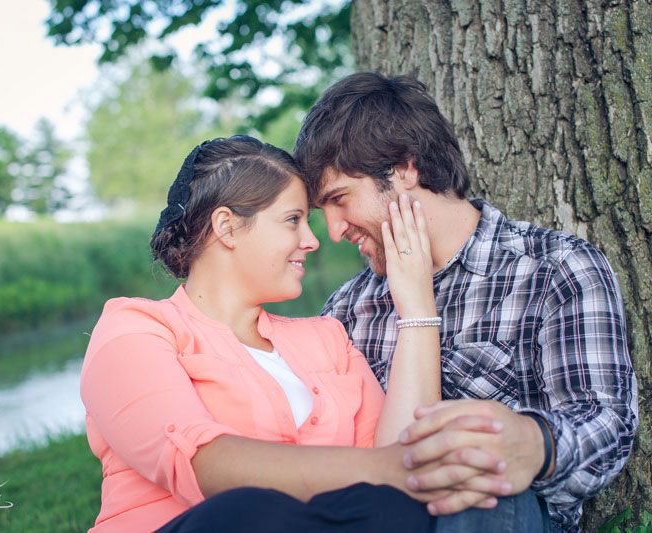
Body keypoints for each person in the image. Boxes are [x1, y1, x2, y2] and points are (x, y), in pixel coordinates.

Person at [79, 135, 502, 532]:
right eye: (293, 220)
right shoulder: (135, 330)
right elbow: (204, 466)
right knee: (246, 508)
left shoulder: (327, 338)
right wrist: (389, 469)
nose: (312, 241)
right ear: (226, 227)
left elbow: (399, 463)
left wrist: (416, 306)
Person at [292, 72, 639, 532]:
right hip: (378, 515)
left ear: (404, 168)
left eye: (339, 199)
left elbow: (605, 420)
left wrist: (536, 444)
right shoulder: (348, 309)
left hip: (504, 513)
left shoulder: (553, 269)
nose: (334, 232)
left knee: (475, 486)